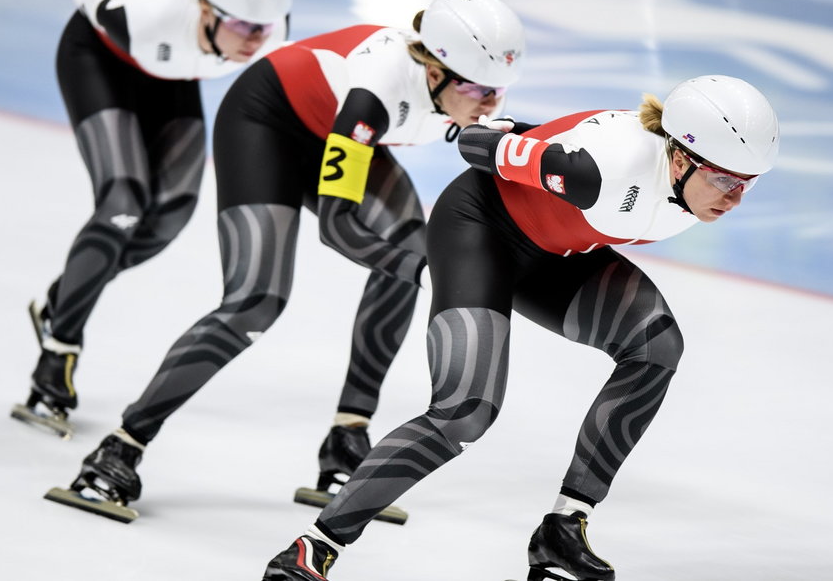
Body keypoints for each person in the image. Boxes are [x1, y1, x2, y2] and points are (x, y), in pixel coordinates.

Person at [261, 75, 781, 580]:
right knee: (464, 412)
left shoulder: (688, 184)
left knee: (656, 347)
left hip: (556, 252)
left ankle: (563, 528)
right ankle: (311, 550)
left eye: (747, 184)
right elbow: (476, 142)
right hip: (479, 234)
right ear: (679, 157)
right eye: (724, 180)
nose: (735, 199)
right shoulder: (599, 170)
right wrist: (521, 138)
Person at [47, 0, 527, 520]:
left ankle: (347, 439)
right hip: (267, 125)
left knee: (411, 248)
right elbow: (339, 229)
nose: (489, 103)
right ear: (433, 71)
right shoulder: (378, 86)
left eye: (499, 90)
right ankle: (120, 447)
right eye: (478, 88)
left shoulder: (469, 94)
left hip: (336, 133)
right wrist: (427, 270)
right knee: (256, 300)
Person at [11, 0, 294, 438]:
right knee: (123, 201)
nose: (254, 39)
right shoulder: (145, 13)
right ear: (205, 7)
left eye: (263, 27)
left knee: (173, 212)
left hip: (173, 71)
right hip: (101, 59)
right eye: (243, 25)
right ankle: (58, 354)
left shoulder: (271, 29)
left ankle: (62, 300)